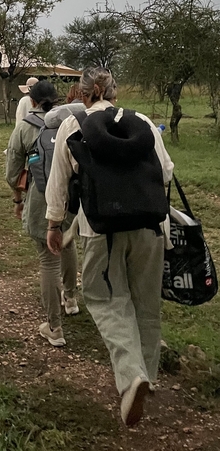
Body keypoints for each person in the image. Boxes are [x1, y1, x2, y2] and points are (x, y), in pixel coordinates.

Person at [45, 67, 174, 427]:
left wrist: (54, 225)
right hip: (151, 225)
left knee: (106, 298)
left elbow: (58, 183)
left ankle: (131, 376)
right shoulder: (144, 122)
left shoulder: (74, 127)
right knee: (146, 301)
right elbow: (165, 171)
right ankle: (147, 374)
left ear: (87, 93)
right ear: (113, 92)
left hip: (102, 228)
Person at [6, 81, 79, 348]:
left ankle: (54, 327)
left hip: (41, 198)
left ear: (33, 102)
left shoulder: (25, 127)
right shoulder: (70, 123)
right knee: (68, 244)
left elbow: (12, 172)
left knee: (48, 260)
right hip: (71, 196)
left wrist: (17, 200)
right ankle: (70, 299)